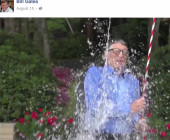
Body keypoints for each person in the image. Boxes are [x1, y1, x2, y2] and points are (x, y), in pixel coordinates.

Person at [84, 39, 147, 140]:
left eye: (125, 52)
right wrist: (128, 109)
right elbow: (95, 107)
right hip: (99, 135)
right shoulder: (95, 73)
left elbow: (135, 111)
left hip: (126, 136)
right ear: (106, 54)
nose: (121, 55)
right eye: (116, 51)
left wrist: (138, 123)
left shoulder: (133, 80)